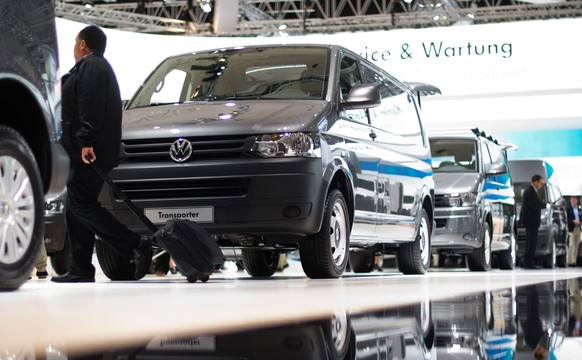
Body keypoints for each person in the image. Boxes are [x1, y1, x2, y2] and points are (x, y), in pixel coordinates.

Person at [51, 25, 151, 283]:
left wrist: (86, 141)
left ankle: (132, 243)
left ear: (83, 44)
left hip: (88, 151)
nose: (73, 47)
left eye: (75, 42)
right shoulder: (92, 67)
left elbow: (90, 106)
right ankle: (81, 268)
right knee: (76, 208)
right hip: (84, 149)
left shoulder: (92, 67)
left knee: (81, 205)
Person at [520, 174, 545, 269]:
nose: (541, 185)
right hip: (531, 221)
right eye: (540, 183)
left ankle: (529, 262)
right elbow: (533, 206)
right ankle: (529, 263)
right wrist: (542, 205)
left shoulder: (532, 192)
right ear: (535, 182)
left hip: (532, 221)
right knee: (531, 242)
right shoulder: (530, 192)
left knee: (531, 242)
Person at [566, 196, 581, 266]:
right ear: (571, 200)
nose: (574, 200)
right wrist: (573, 221)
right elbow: (567, 219)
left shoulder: (578, 208)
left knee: (576, 245)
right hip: (571, 228)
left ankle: (574, 261)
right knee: (571, 244)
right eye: (573, 199)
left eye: (575, 199)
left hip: (578, 227)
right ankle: (569, 261)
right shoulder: (568, 208)